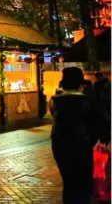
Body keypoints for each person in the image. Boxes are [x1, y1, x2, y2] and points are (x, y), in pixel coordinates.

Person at [50, 67, 94, 203]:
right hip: (80, 142)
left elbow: (54, 116)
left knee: (68, 180)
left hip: (59, 142)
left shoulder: (55, 100)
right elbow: (93, 122)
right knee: (83, 181)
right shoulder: (86, 100)